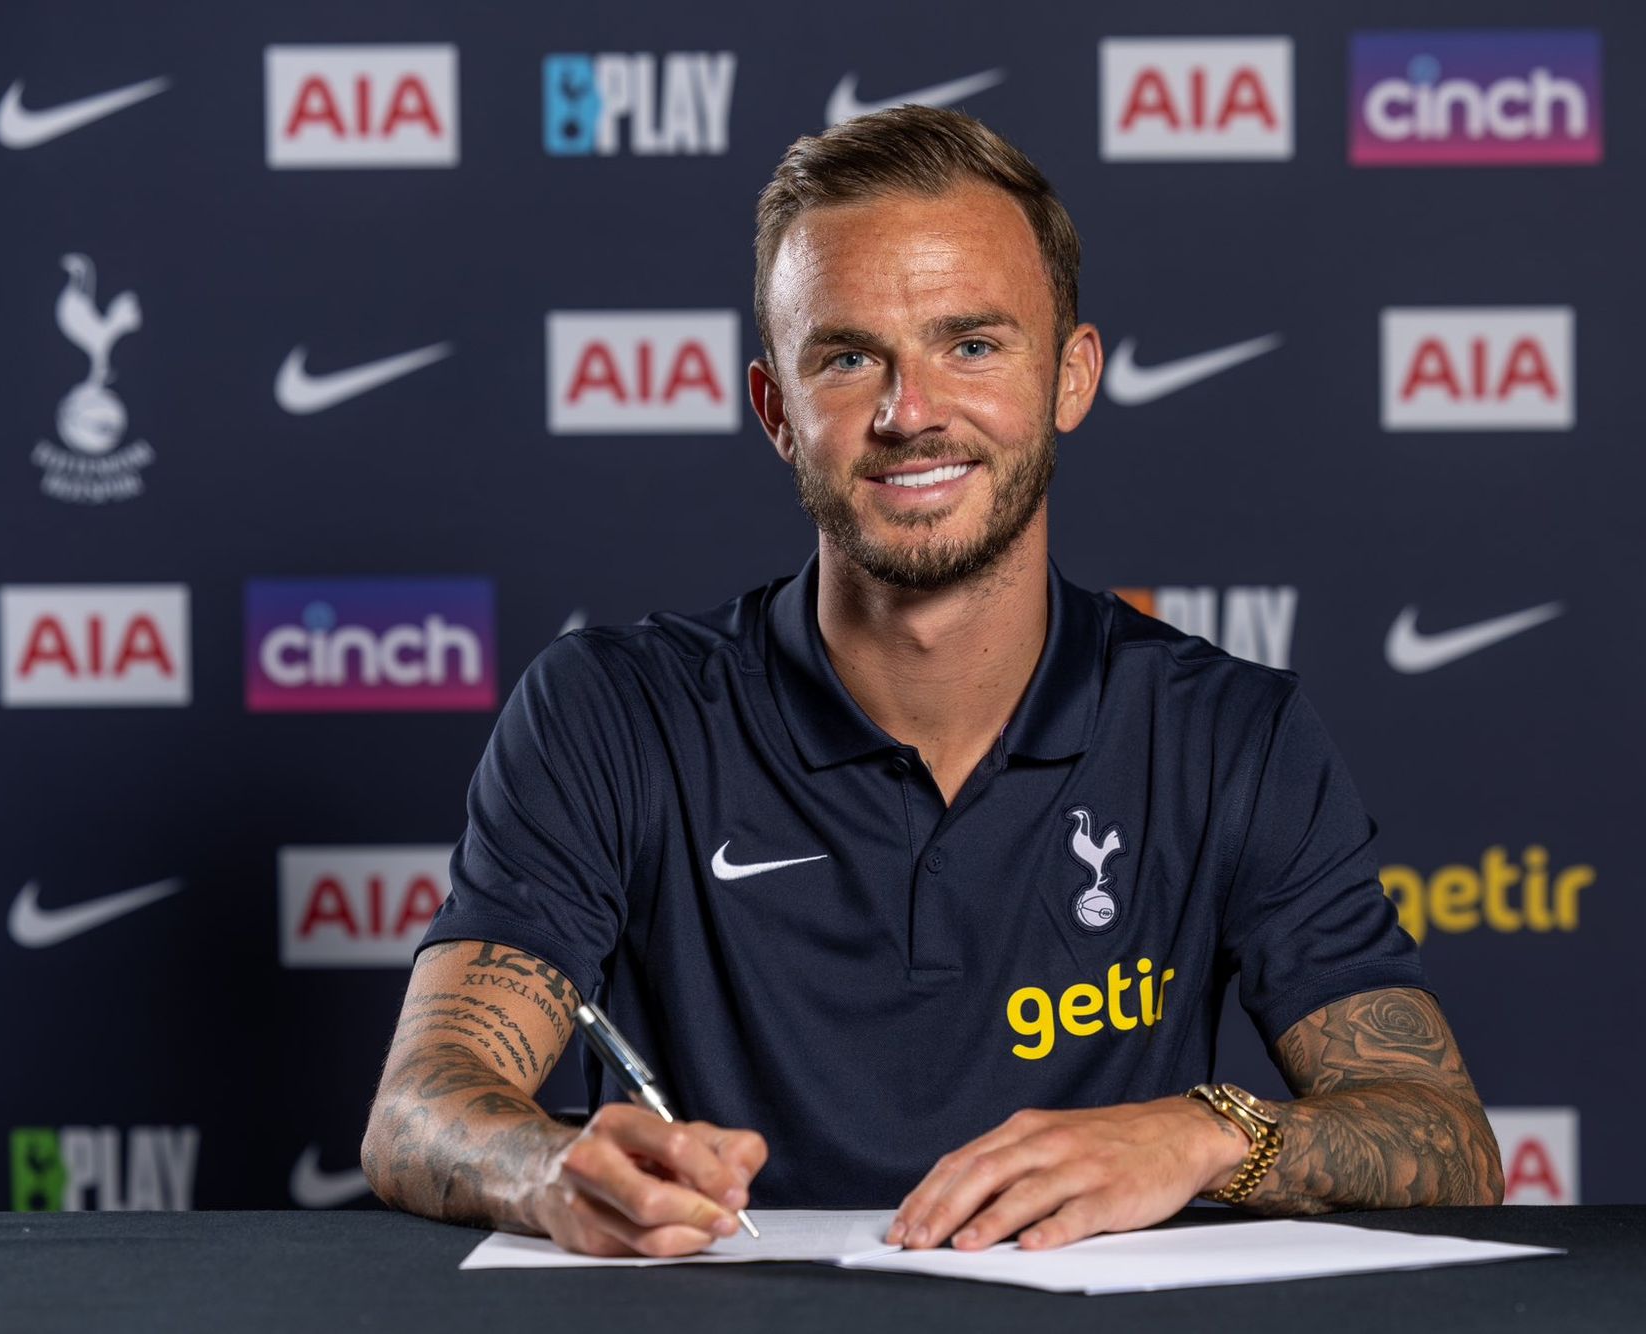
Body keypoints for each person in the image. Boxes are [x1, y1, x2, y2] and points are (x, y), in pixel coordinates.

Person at [362, 106, 1503, 1258]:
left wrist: (1204, 1133)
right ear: (775, 412)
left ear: (1069, 377)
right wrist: (550, 1168)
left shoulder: (1226, 733)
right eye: (850, 357)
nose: (911, 414)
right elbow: (419, 1107)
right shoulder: (609, 712)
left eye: (971, 344)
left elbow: (1442, 1138)